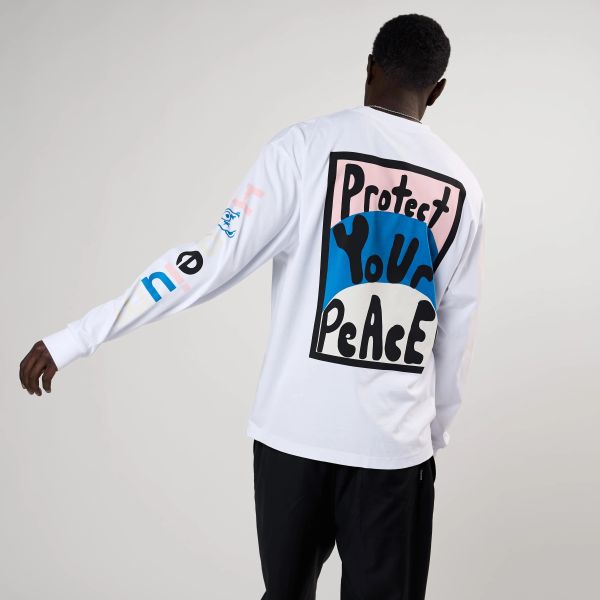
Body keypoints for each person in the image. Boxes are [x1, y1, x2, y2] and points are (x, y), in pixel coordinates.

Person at [19, 12, 485, 600]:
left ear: (369, 68)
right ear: (437, 90)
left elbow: (206, 264)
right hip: (394, 451)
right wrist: (427, 435)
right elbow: (456, 329)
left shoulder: (303, 150)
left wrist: (76, 337)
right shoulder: (464, 188)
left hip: (293, 435)